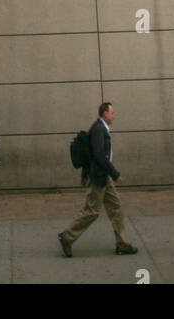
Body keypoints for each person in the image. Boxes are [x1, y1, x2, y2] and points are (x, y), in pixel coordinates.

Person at [58, 102, 137, 256]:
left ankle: (122, 243)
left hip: (103, 177)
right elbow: (98, 155)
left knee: (116, 208)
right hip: (99, 177)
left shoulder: (100, 128)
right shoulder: (99, 129)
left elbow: (92, 154)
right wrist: (115, 174)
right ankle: (67, 237)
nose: (114, 116)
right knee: (92, 211)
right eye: (112, 113)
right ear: (105, 114)